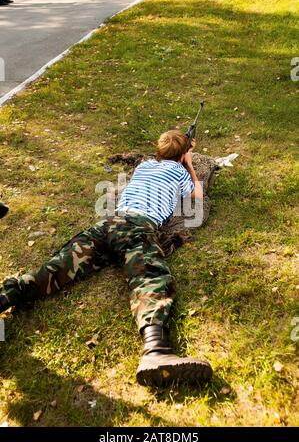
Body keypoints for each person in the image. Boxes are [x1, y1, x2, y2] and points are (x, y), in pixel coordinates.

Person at [0, 130, 213, 387]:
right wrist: (188, 163)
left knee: (57, 268)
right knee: (149, 278)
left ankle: (7, 295)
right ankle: (156, 351)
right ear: (181, 155)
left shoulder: (145, 166)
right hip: (138, 228)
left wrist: (180, 154)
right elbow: (197, 195)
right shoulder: (179, 171)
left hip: (108, 226)